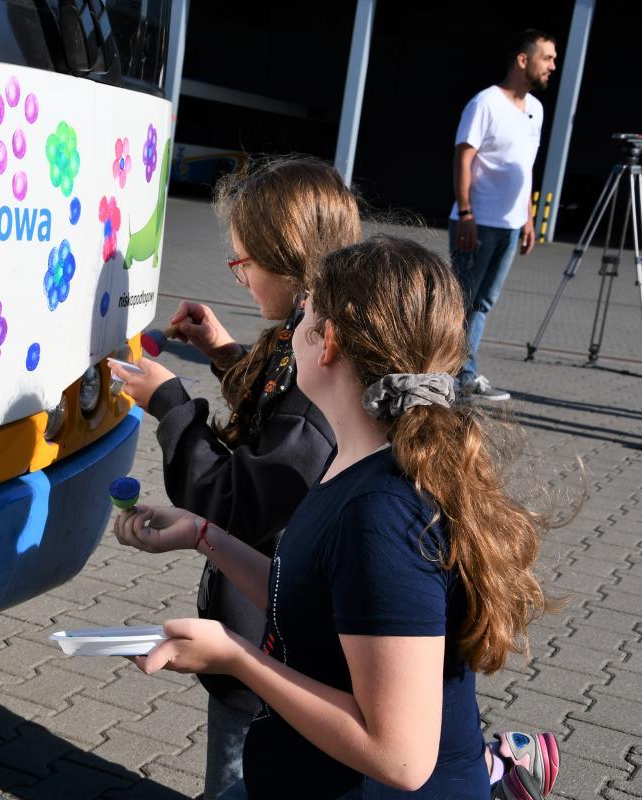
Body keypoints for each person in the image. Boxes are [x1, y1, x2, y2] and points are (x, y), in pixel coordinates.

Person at [113, 236, 563, 799]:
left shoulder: (383, 514)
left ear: (328, 343)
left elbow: (401, 758)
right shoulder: (357, 459)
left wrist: (236, 657)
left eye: (303, 316)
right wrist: (204, 535)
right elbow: (309, 596)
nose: (291, 332)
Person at [110, 157, 361, 798]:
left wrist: (171, 404)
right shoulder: (309, 335)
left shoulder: (314, 377)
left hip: (270, 648)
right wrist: (224, 353)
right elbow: (279, 410)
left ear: (289, 260)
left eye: (244, 262)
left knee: (237, 777)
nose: (239, 274)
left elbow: (237, 498)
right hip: (266, 631)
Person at [450, 29, 558, 401]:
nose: (553, 66)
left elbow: (525, 167)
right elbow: (463, 159)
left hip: (510, 226)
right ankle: (451, 374)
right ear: (523, 60)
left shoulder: (536, 110)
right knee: (462, 302)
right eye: (547, 58)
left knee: (482, 303)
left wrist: (528, 218)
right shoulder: (485, 104)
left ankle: (464, 374)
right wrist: (466, 213)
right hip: (478, 222)